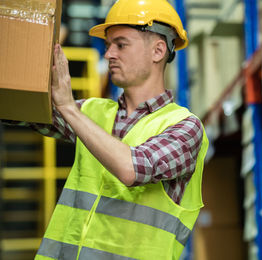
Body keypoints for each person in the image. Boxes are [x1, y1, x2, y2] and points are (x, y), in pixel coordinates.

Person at [1, 0, 209, 258]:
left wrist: (67, 107)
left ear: (157, 51)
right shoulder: (92, 112)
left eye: (120, 44)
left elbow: (133, 168)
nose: (108, 54)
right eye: (109, 45)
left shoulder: (184, 127)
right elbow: (19, 108)